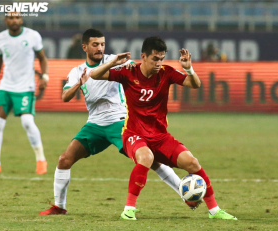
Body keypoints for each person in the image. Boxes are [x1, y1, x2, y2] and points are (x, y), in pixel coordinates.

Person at [90, 36, 238, 220]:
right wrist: (113, 63)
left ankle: (215, 210)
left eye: (162, 58)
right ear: (143, 56)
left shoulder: (166, 73)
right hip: (133, 134)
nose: (159, 63)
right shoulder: (128, 72)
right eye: (155, 59)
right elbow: (94, 75)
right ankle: (128, 209)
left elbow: (195, 84)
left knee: (192, 163)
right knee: (145, 157)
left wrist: (189, 68)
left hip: (160, 137)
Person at [39, 29, 183, 215]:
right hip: (95, 125)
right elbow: (65, 96)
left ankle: (185, 192)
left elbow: (143, 68)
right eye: (95, 44)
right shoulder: (76, 71)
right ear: (84, 47)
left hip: (119, 122)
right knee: (64, 159)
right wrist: (78, 84)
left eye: (102, 44)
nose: (100, 48)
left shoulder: (116, 61)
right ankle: (59, 207)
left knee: (151, 160)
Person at [0, 12, 49, 175]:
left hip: (25, 87)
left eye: (17, 18)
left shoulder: (33, 36)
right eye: (11, 18)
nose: (15, 20)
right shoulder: (0, 38)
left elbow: (42, 58)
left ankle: (41, 160)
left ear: (21, 19)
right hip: (6, 86)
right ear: (6, 20)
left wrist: (45, 76)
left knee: (27, 122)